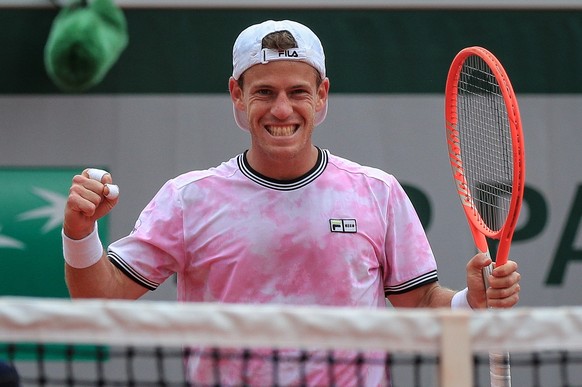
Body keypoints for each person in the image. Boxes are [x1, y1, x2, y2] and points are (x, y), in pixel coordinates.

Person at [62, 19, 521, 385]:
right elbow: (99, 296)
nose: (282, 109)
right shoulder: (188, 199)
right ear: (237, 96)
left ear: (321, 96)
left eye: (298, 92)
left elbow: (420, 308)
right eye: (264, 92)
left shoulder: (377, 193)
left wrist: (469, 302)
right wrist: (80, 233)